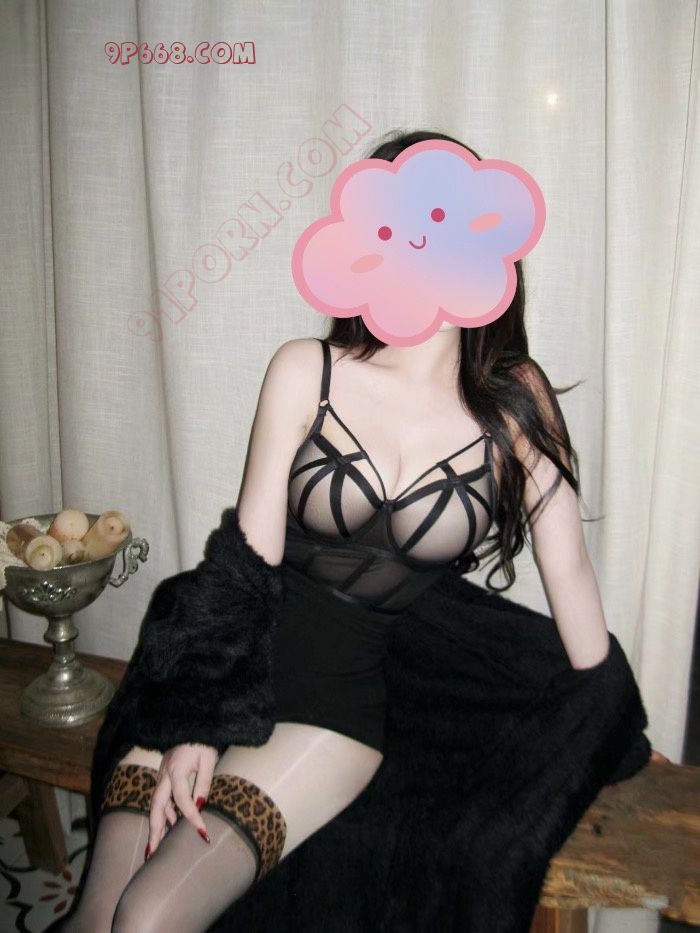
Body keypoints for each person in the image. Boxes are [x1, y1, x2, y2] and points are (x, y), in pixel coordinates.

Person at [60, 130, 666, 933]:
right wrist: (199, 717)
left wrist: (610, 721)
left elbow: (572, 578)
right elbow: (245, 561)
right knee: (100, 913)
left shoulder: (516, 401)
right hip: (219, 662)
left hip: (335, 708)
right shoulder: (306, 369)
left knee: (147, 917)